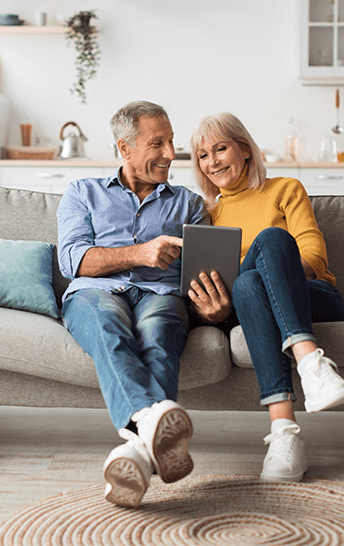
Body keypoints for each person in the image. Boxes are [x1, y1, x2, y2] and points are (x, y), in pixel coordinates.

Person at [188, 112, 344, 483]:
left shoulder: (285, 189)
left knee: (273, 240)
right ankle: (286, 434)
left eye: (220, 148)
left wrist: (274, 268)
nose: (212, 161)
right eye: (202, 155)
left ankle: (311, 365)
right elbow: (215, 283)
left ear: (244, 150)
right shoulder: (206, 214)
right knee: (247, 286)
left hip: (313, 296)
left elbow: (313, 256)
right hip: (248, 306)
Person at [57, 101, 208, 508]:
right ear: (125, 149)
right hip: (96, 292)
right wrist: (142, 254)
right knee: (109, 330)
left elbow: (205, 272)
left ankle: (135, 454)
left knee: (159, 334)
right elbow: (73, 260)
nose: (169, 153)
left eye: (171, 141)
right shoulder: (82, 193)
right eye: (156, 143)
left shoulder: (190, 204)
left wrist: (215, 304)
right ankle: (148, 420)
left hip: (161, 295)